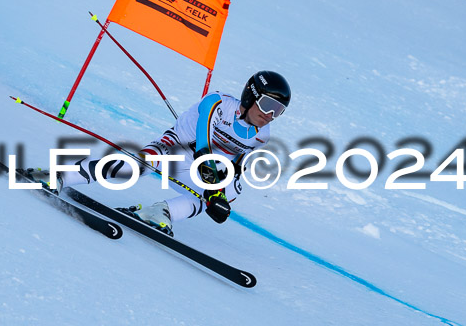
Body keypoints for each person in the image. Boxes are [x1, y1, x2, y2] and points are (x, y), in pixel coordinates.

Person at [31, 71, 291, 237]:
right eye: (268, 104)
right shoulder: (218, 103)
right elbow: (203, 136)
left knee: (233, 189)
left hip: (203, 169)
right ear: (251, 95)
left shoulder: (261, 135)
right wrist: (207, 167)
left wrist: (218, 195)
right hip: (175, 149)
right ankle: (59, 176)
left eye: (278, 111)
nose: (270, 115)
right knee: (137, 166)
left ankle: (160, 213)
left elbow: (235, 164)